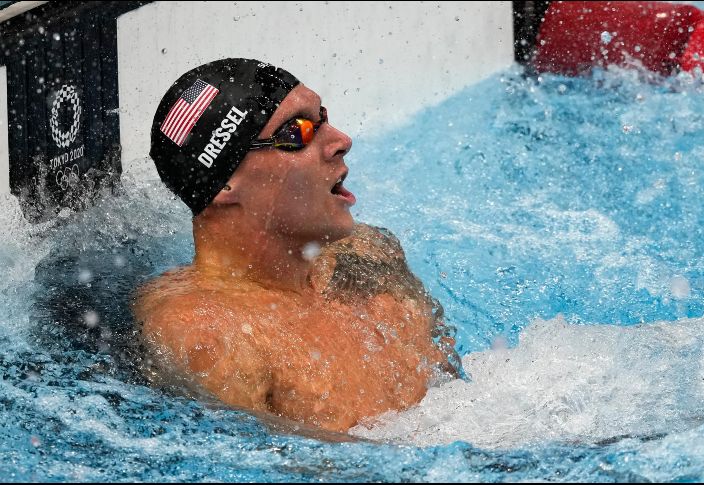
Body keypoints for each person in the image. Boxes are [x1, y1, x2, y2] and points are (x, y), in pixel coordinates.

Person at [132, 58, 461, 433]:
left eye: (322, 118)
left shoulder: (372, 256)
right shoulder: (207, 337)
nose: (341, 141)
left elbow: (458, 396)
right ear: (224, 183)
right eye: (298, 132)